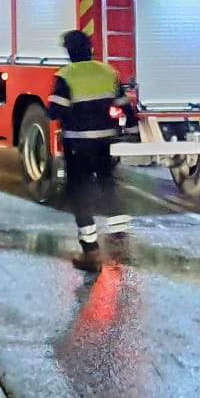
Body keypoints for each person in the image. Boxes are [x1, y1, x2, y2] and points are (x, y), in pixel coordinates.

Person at [48, 28, 128, 267]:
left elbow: (55, 111)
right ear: (90, 49)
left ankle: (91, 252)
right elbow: (124, 104)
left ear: (69, 51)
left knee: (80, 193)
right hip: (105, 141)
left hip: (77, 143)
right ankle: (120, 244)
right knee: (107, 185)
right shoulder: (108, 71)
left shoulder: (66, 75)